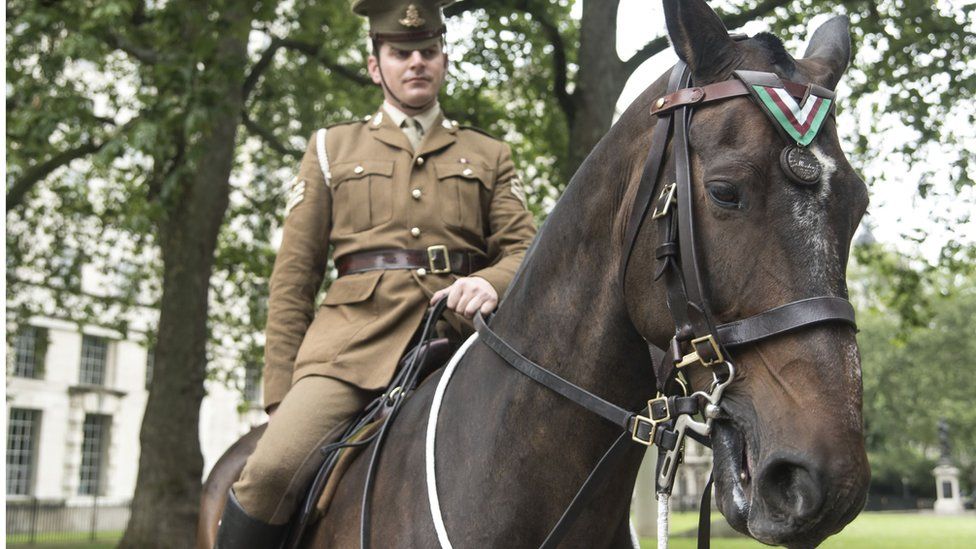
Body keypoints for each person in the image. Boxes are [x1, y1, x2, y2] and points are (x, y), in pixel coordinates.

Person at [214, 0, 537, 545]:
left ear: (444, 60)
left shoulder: (488, 153)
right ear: (375, 65)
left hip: (459, 341)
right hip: (349, 350)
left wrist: (491, 282)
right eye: (401, 52)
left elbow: (525, 250)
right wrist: (280, 398)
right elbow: (293, 281)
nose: (416, 62)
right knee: (268, 476)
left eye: (427, 51)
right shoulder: (330, 148)